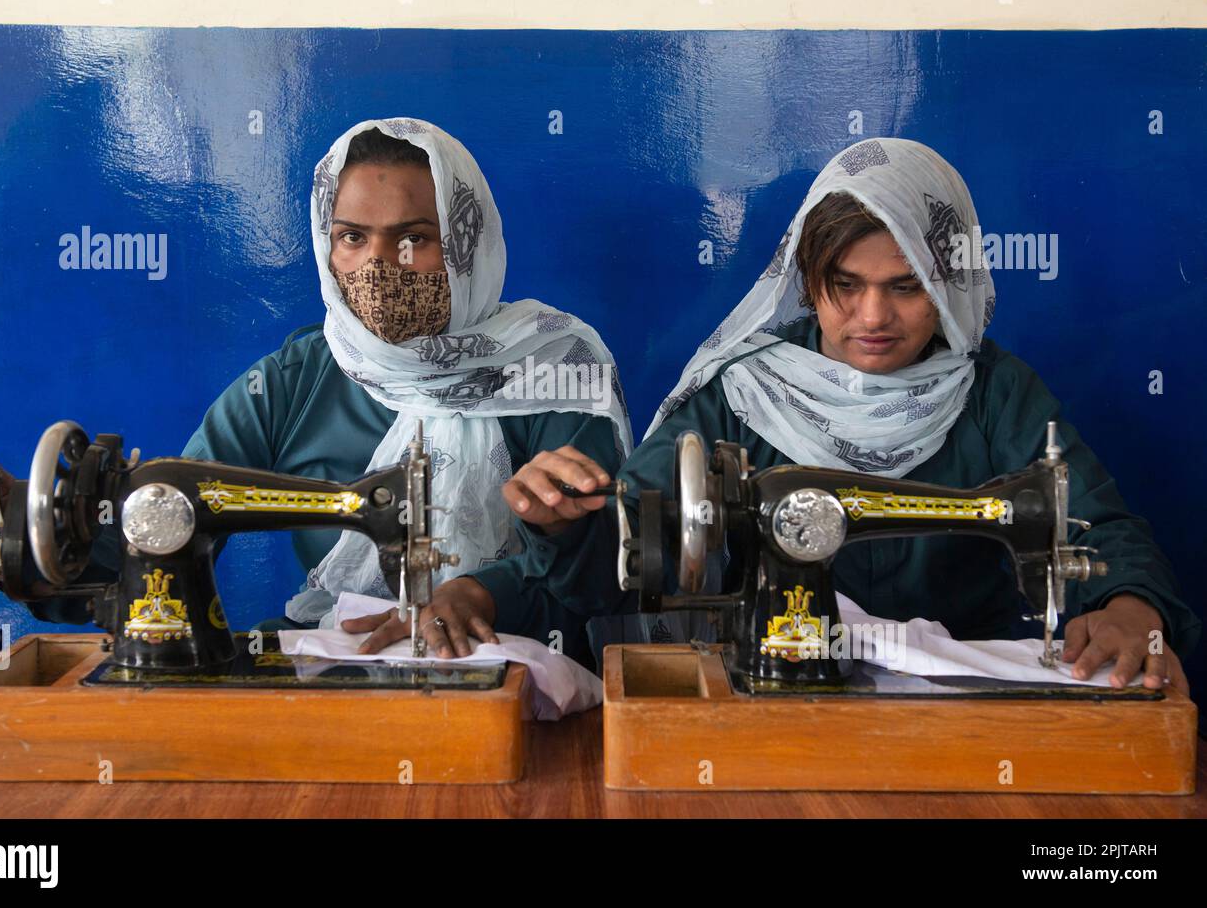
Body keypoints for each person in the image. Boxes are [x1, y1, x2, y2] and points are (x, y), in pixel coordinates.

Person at [0, 118, 632, 670]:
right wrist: (20, 545)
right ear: (327, 246)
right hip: (338, 677)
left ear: (470, 243)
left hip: (526, 693)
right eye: (351, 237)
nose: (379, 264)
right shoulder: (294, 380)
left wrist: (487, 589)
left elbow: (609, 573)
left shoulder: (555, 366)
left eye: (413, 238)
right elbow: (165, 524)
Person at [502, 137, 1199, 691]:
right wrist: (566, 530)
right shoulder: (742, 391)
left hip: (951, 722)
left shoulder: (994, 393)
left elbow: (1095, 525)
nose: (873, 317)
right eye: (846, 285)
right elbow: (631, 552)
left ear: (950, 284)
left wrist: (1132, 606)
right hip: (764, 710)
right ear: (808, 280)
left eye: (906, 287)